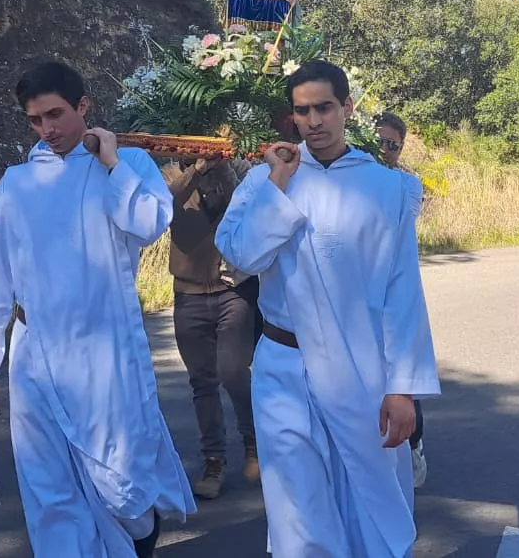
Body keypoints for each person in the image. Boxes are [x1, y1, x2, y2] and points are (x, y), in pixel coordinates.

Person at [0, 61, 195, 557]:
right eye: (36, 119)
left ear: (83, 106)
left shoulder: (128, 165)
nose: (48, 129)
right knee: (49, 484)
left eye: (57, 114)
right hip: (34, 350)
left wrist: (111, 163)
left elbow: (149, 222)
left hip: (104, 349)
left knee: (120, 481)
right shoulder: (17, 183)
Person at [216, 60, 439, 557]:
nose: (313, 121)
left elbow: (402, 292)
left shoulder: (388, 189)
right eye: (302, 111)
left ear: (347, 108)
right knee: (297, 512)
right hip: (283, 367)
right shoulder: (264, 180)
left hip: (360, 370)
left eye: (324, 108)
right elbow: (242, 256)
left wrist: (403, 389)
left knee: (367, 501)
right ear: (291, 116)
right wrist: (278, 182)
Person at [167, 156, 261, 500]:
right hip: (188, 295)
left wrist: (224, 169)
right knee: (202, 381)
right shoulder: (174, 172)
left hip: (231, 291)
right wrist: (196, 170)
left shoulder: (238, 172)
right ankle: (213, 459)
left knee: (233, 370)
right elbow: (165, 202)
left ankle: (253, 441)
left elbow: (253, 202)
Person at [374, 112, 428, 490]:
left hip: (390, 287)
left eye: (392, 144)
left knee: (400, 373)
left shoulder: (407, 185)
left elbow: (399, 223)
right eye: (379, 142)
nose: (385, 150)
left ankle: (413, 440)